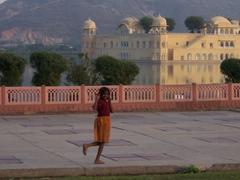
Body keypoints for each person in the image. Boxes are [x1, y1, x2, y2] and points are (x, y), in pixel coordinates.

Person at [82, 87, 113, 164]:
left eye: (107, 94)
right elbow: (94, 108)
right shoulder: (100, 101)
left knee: (102, 141)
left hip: (107, 121)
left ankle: (87, 146)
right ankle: (97, 159)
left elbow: (112, 111)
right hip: (101, 121)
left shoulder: (106, 101)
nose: (106, 95)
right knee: (102, 141)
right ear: (101, 94)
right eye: (104, 94)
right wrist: (96, 99)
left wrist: (109, 101)